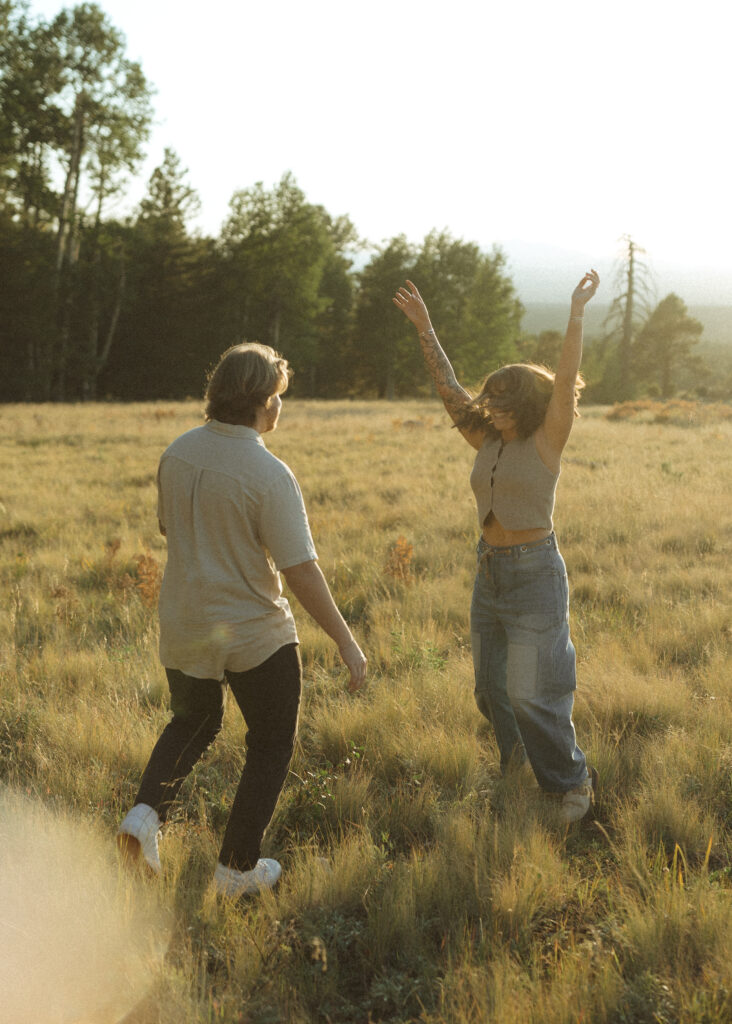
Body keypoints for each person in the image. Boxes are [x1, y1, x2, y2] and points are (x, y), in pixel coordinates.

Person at [117, 342, 367, 895]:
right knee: (273, 742)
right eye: (277, 398)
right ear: (259, 401)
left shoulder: (177, 452)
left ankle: (142, 819)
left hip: (184, 620)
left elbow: (168, 530)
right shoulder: (270, 474)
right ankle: (236, 868)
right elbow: (300, 571)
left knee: (193, 722)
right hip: (255, 631)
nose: (280, 409)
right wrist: (347, 641)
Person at [393, 270, 600, 823]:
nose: (493, 404)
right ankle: (519, 769)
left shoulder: (547, 437)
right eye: (492, 396)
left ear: (529, 402)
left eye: (506, 398)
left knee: (535, 692)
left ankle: (571, 783)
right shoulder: (484, 437)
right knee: (491, 690)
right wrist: (426, 328)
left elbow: (566, 379)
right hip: (490, 572)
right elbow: (447, 386)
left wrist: (576, 312)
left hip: (534, 574)